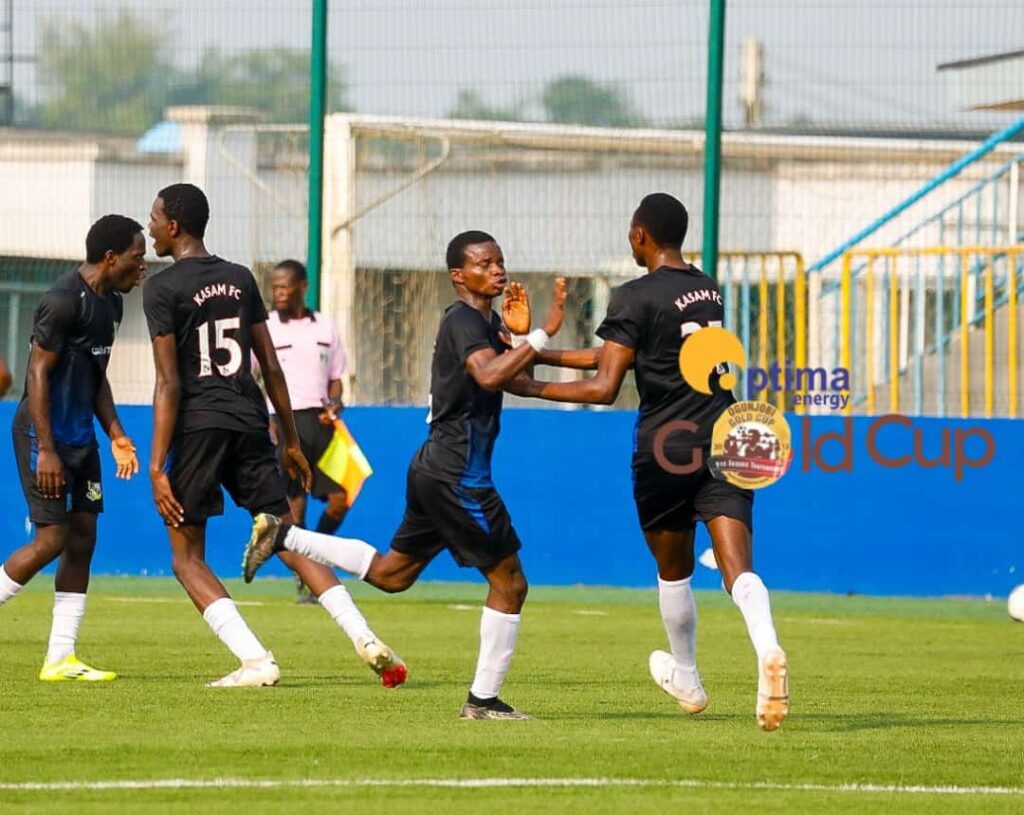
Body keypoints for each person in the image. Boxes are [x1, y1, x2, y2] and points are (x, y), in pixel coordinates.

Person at [243, 230, 566, 719]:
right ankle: (483, 701)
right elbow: (492, 375)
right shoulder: (463, 320)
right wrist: (545, 331)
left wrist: (601, 363)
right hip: (459, 474)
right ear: (459, 275)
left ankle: (285, 535)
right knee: (511, 584)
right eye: (485, 263)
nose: (498, 269)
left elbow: (517, 375)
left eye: (500, 261)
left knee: (392, 575)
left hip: (436, 467)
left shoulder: (486, 322)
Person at [516, 193, 789, 731]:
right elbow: (627, 355)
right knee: (738, 569)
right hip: (725, 437)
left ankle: (687, 676)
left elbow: (605, 385)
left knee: (673, 571)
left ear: (640, 235)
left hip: (666, 448)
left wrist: (527, 384)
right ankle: (768, 648)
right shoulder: (707, 290)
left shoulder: (634, 295)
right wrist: (534, 351)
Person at [143, 183, 406, 688]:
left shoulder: (162, 288)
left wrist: (156, 467)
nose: (149, 226)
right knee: (285, 536)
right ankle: (364, 635)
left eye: (154, 217)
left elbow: (169, 382)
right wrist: (288, 439)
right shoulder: (239, 277)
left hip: (199, 426)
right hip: (248, 420)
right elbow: (270, 366)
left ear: (173, 226)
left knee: (186, 556)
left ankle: (255, 661)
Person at [0, 215, 145, 681]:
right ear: (111, 258)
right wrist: (47, 450)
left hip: (82, 438)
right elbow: (37, 374)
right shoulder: (62, 300)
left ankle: (60, 657)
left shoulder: (113, 305)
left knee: (82, 538)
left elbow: (96, 377)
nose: (143, 265)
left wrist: (116, 433)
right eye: (137, 256)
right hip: (43, 436)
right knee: (51, 540)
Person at [262, 259, 350, 604]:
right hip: (286, 424)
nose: (279, 293)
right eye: (275, 288)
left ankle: (316, 557)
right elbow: (249, 375)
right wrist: (265, 417)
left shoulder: (325, 326)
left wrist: (336, 402)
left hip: (322, 423)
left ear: (303, 287)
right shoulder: (266, 327)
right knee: (295, 509)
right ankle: (309, 578)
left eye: (285, 286)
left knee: (341, 499)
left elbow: (337, 378)